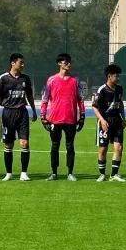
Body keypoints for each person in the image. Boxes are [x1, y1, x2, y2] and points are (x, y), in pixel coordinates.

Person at [39, 53, 85, 181]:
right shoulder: (51, 80)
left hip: (71, 119)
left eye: (69, 62)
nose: (68, 64)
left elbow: (80, 100)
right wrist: (43, 117)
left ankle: (70, 173)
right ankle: (54, 173)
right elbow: (45, 99)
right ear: (59, 63)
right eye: (66, 62)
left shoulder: (75, 80)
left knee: (70, 146)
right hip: (55, 119)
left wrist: (82, 116)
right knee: (54, 146)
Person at [0, 53, 37, 181]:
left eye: (23, 62)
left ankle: (24, 173)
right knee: (9, 144)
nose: (22, 65)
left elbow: (29, 96)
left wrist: (34, 111)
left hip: (22, 112)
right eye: (20, 62)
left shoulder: (25, 79)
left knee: (24, 143)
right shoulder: (3, 79)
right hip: (8, 113)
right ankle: (9, 173)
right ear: (13, 63)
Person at [93, 63, 126, 182]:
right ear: (109, 76)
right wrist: (102, 120)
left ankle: (114, 174)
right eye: (116, 76)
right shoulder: (102, 90)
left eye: (118, 76)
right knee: (103, 149)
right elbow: (94, 107)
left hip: (117, 121)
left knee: (119, 147)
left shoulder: (119, 89)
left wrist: (123, 118)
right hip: (105, 123)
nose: (118, 78)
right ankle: (102, 174)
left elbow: (120, 104)